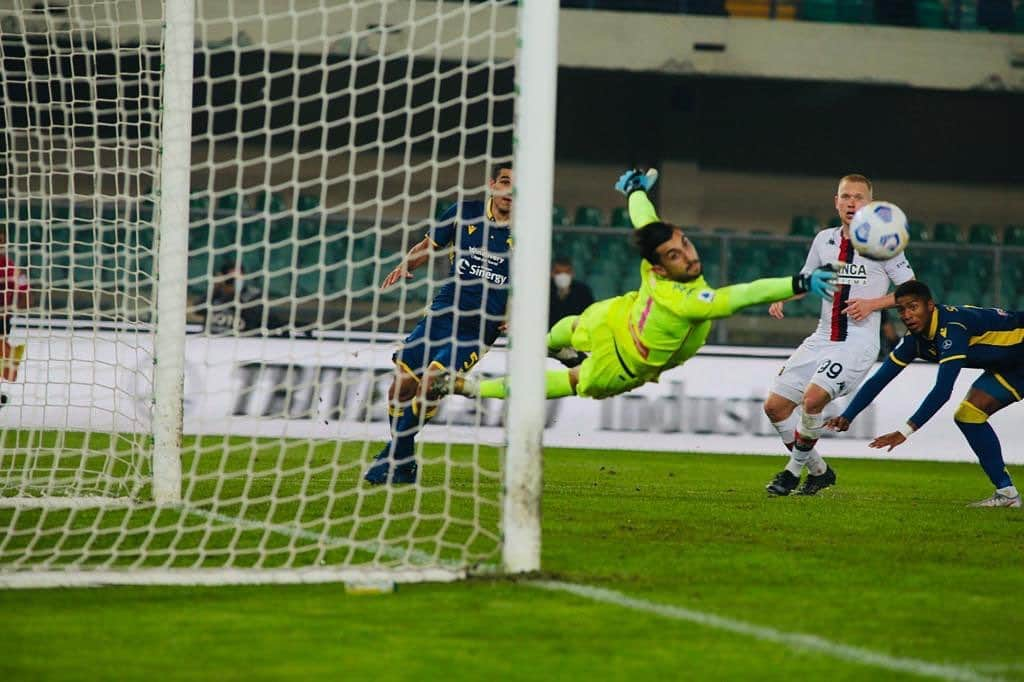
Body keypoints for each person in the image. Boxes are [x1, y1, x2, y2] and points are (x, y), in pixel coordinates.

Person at [428, 168, 837, 408]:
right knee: (569, 329)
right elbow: (647, 219)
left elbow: (737, 293)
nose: (689, 256)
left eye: (686, 245)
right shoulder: (675, 282)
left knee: (571, 378)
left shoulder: (684, 294)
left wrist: (796, 281)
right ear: (658, 266)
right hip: (618, 318)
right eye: (675, 253)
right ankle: (546, 345)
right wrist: (636, 191)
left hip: (625, 362)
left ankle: (473, 387)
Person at [762, 174, 915, 497]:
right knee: (775, 408)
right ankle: (819, 471)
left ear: (870, 205)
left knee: (813, 399)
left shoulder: (884, 243)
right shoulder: (824, 240)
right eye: (845, 196)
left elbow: (912, 291)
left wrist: (874, 303)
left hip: (857, 342)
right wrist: (782, 296)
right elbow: (807, 279)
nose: (851, 202)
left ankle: (790, 474)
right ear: (836, 201)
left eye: (858, 197)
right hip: (821, 338)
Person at [362, 163, 514, 485]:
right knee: (401, 385)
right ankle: (403, 459)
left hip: (480, 327)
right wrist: (407, 263)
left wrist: (514, 312)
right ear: (492, 185)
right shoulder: (464, 212)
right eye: (504, 182)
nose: (509, 191)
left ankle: (396, 456)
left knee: (432, 379)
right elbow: (429, 246)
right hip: (444, 313)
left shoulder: (527, 231)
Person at [826, 281, 1023, 508]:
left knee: (969, 413)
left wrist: (904, 431)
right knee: (969, 415)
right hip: (1011, 366)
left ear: (930, 306)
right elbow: (880, 379)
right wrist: (848, 415)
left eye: (913, 307)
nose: (907, 315)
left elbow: (942, 391)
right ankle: (1007, 494)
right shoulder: (914, 341)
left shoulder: (953, 328)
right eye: (901, 309)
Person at [188, 261, 285, 335]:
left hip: (241, 343)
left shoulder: (253, 295)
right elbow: (198, 310)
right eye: (230, 279)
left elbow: (258, 319)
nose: (234, 282)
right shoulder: (216, 294)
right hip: (213, 340)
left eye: (238, 279)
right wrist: (215, 289)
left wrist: (234, 297)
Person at [0, 225, 30, 403]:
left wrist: (12, 307)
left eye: (2, 240)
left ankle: (10, 361)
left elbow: (26, 295)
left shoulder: (12, 268)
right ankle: (11, 360)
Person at [549, 257, 594, 328]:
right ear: (551, 273)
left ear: (572, 273)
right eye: (558, 272)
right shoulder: (545, 291)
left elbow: (589, 315)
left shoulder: (583, 292)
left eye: (567, 272)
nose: (563, 276)